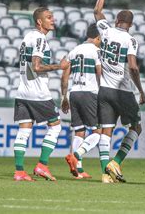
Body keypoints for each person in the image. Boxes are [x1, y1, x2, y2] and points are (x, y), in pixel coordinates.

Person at [93, 0, 145, 183]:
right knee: (137, 126)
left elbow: (97, 11)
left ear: (116, 21)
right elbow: (132, 66)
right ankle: (116, 162)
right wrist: (140, 90)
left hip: (104, 90)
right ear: (130, 25)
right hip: (122, 91)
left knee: (106, 131)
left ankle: (105, 174)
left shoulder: (106, 31)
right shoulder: (130, 40)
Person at [12, 7, 70, 182]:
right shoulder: (39, 39)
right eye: (49, 17)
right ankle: (42, 165)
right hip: (38, 94)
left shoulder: (27, 37)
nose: (53, 20)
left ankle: (19, 171)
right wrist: (59, 66)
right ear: (39, 21)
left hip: (22, 91)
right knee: (55, 126)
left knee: (24, 131)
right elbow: (36, 67)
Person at [62, 24, 102, 179]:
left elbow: (65, 75)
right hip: (89, 93)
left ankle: (78, 170)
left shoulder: (75, 50)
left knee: (79, 131)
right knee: (98, 132)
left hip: (74, 93)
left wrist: (64, 96)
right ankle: (76, 156)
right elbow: (99, 72)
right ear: (98, 37)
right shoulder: (96, 51)